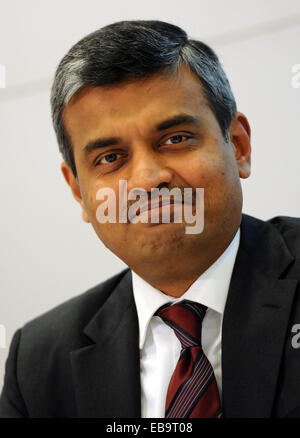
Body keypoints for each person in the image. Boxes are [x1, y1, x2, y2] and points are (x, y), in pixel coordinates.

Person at [1, 19, 300, 419]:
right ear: (79, 192)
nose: (147, 179)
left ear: (240, 147)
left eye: (175, 138)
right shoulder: (39, 362)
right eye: (110, 158)